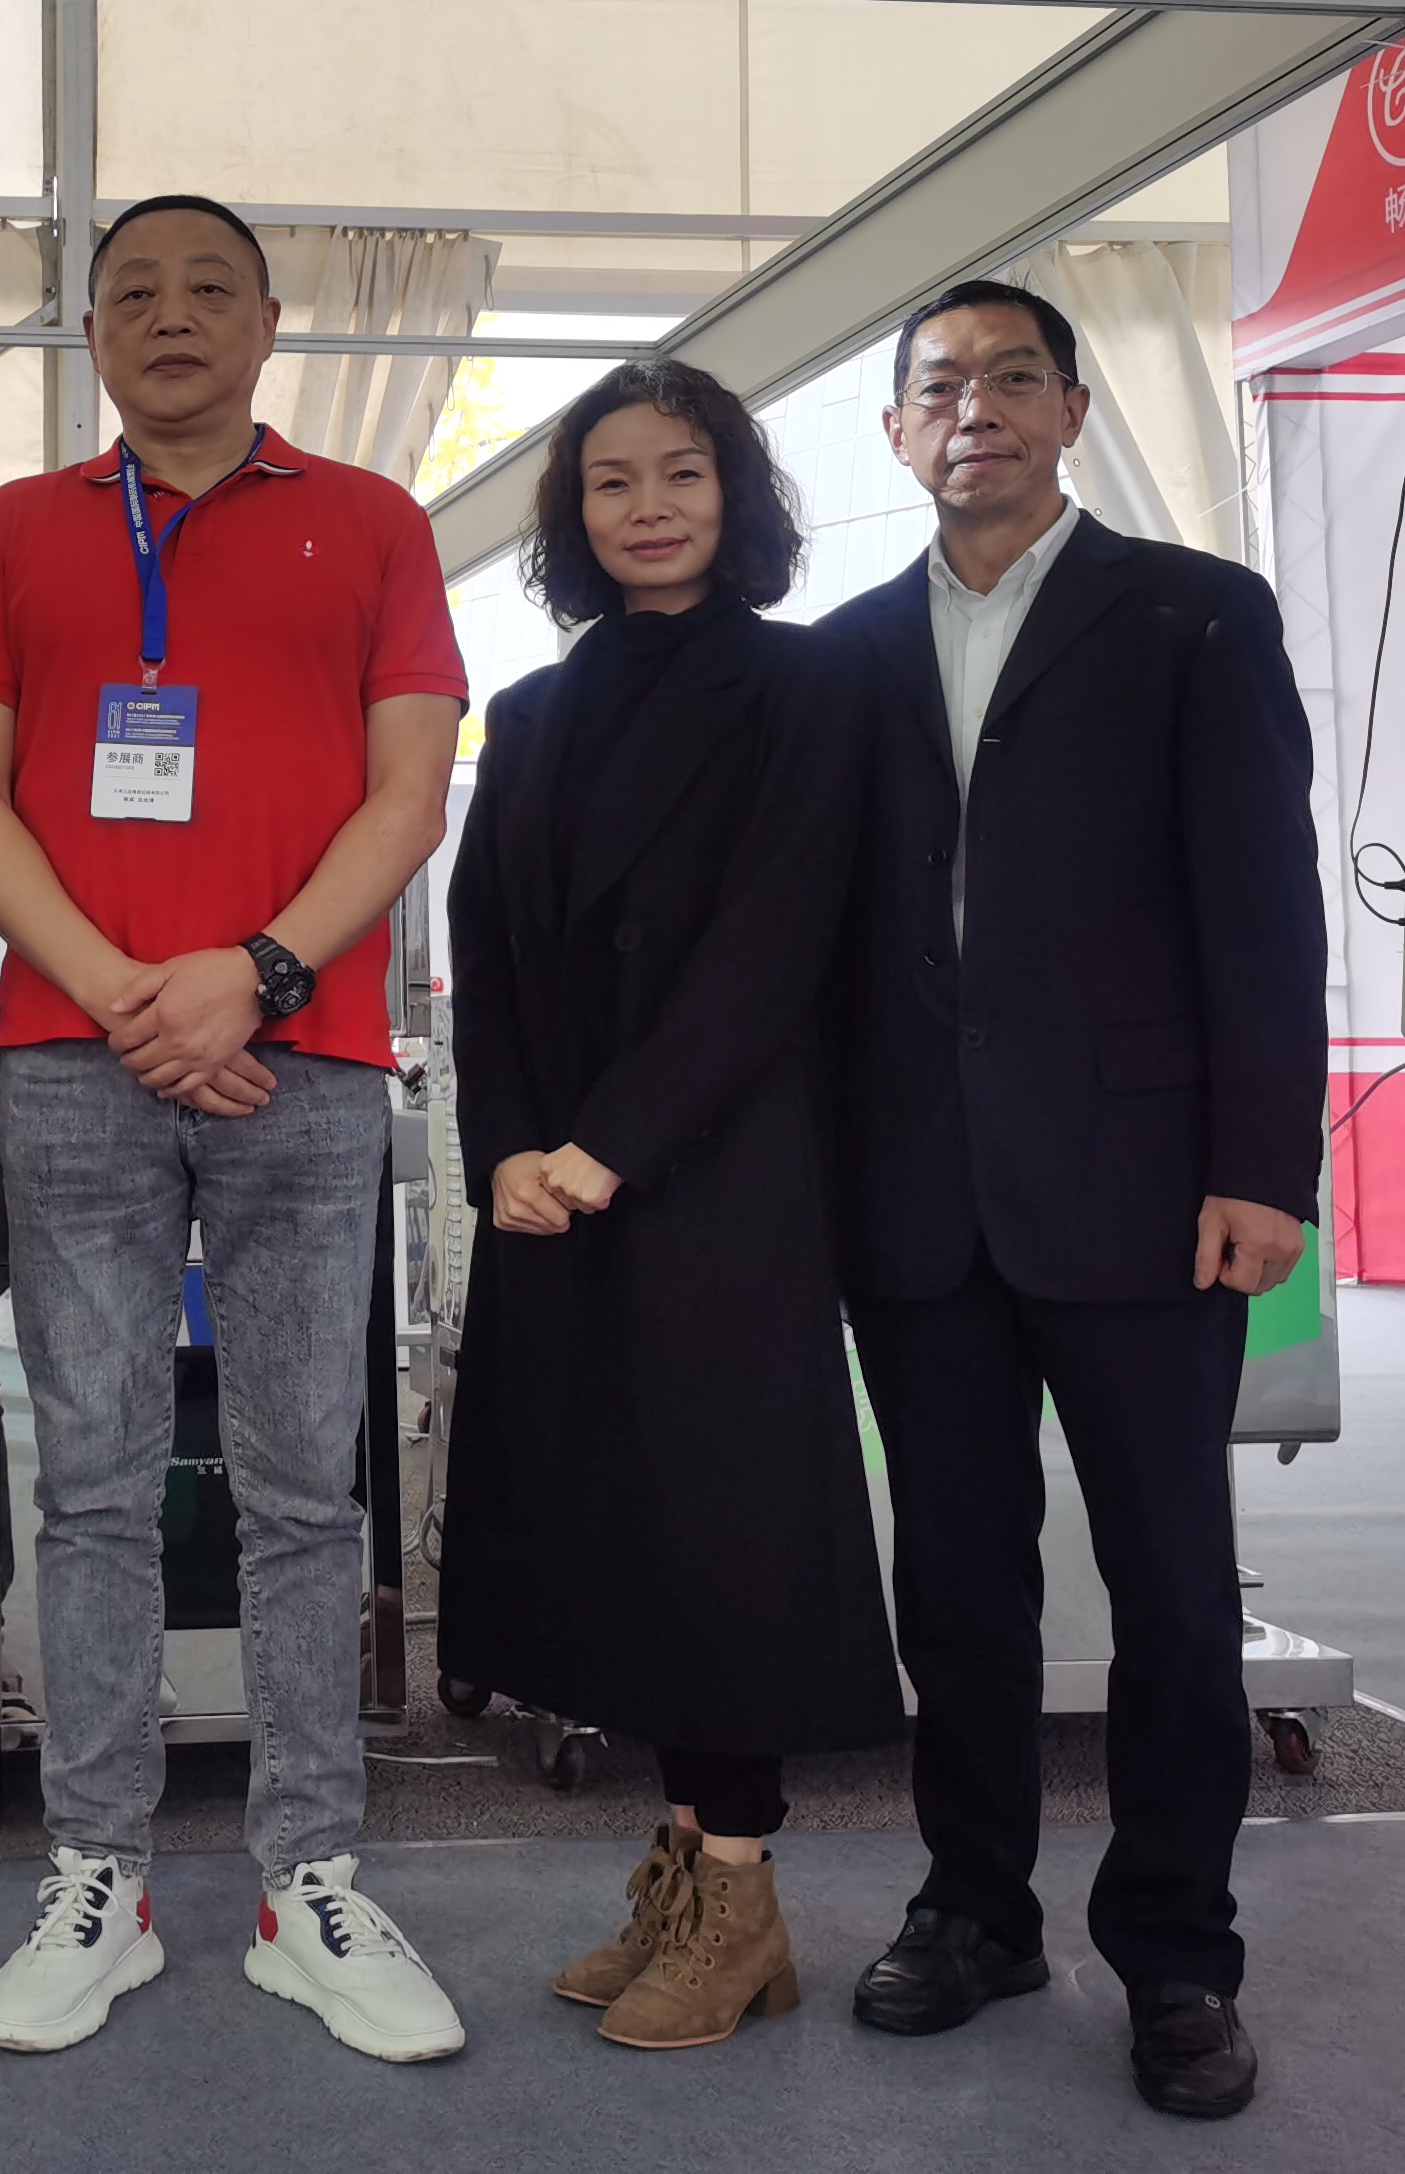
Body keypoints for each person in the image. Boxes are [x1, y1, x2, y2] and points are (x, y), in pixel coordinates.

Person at [0, 195, 470, 2064]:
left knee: (307, 1487)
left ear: (269, 321)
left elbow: (410, 795)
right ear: (89, 331)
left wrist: (257, 972)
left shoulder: (373, 521)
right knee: (92, 1487)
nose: (171, 316)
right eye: (133, 292)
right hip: (77, 1061)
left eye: (208, 289)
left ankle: (310, 1882)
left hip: (303, 1056)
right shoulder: (15, 530)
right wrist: (129, 998)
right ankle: (102, 1875)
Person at [820, 279, 1323, 2120]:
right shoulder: (843, 655)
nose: (978, 409)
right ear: (896, 431)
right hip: (919, 1202)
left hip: (1145, 1190)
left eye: (1014, 378)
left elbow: (1264, 905)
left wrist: (1264, 1166)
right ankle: (977, 1909)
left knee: (1175, 1591)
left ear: (1071, 411)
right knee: (957, 1586)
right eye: (940, 385)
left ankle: (1179, 1952)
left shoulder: (1195, 611)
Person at [437, 360, 904, 2053]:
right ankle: (690, 1877)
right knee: (603, 1527)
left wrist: (612, 1144)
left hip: (724, 1173)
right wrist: (507, 1146)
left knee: (723, 1538)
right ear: (572, 514)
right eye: (613, 480)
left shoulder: (810, 684)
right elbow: (485, 954)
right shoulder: (531, 711)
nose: (648, 507)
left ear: (737, 495)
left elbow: (776, 943)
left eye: (683, 473)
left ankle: (743, 1891)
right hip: (554, 1184)